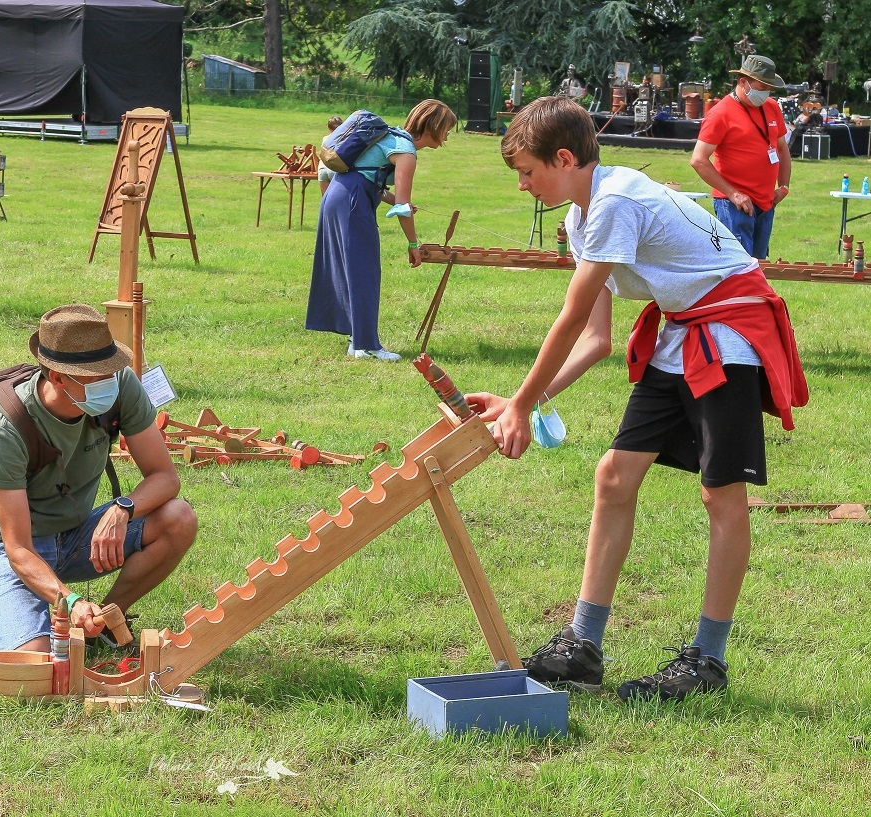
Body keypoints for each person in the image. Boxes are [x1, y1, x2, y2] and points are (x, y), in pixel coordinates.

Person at [468, 96, 807, 702]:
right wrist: (525, 398)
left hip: (728, 334)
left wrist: (521, 404)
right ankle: (583, 647)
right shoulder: (581, 216)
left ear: (564, 158)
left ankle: (708, 660)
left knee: (720, 493)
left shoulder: (615, 202)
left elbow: (573, 316)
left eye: (526, 171)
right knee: (614, 478)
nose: (521, 185)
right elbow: (597, 338)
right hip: (684, 329)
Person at [0, 305, 198, 651]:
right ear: (58, 378)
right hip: (7, 548)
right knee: (35, 666)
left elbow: (165, 477)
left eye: (110, 368)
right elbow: (18, 549)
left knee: (179, 518)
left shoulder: (120, 384)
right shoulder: (5, 429)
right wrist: (70, 602)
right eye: (98, 375)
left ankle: (105, 621)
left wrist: (123, 509)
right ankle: (36, 619)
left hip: (73, 535)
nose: (111, 380)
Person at [306, 100, 457, 362]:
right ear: (434, 126)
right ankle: (367, 347)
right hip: (352, 203)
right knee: (364, 271)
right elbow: (402, 208)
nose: (447, 136)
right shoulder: (406, 151)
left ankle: (357, 340)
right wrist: (413, 245)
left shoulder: (393, 136)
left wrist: (400, 201)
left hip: (337, 196)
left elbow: (370, 180)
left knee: (352, 270)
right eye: (447, 129)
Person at [690, 54, 791, 260]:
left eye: (768, 89)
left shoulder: (771, 107)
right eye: (761, 88)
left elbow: (782, 148)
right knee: (738, 271)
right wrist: (733, 193)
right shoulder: (721, 113)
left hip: (765, 204)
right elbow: (698, 160)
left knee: (758, 268)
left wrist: (784, 186)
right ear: (743, 82)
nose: (765, 94)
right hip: (733, 205)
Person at [318, 115, 344, 195]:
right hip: (334, 169)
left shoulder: (325, 138)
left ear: (328, 127)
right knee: (337, 198)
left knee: (325, 200)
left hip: (322, 169)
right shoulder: (342, 139)